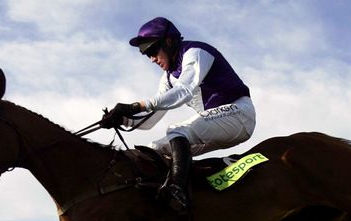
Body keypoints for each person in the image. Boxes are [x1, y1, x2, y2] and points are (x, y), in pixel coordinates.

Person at [101, 16, 256, 211]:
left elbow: (184, 91)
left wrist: (135, 106)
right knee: (152, 149)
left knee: (177, 130)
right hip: (216, 124)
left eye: (152, 51)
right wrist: (121, 119)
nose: (151, 59)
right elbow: (152, 115)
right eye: (146, 54)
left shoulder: (196, 52)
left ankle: (177, 190)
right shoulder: (167, 77)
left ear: (168, 41)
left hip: (239, 114)